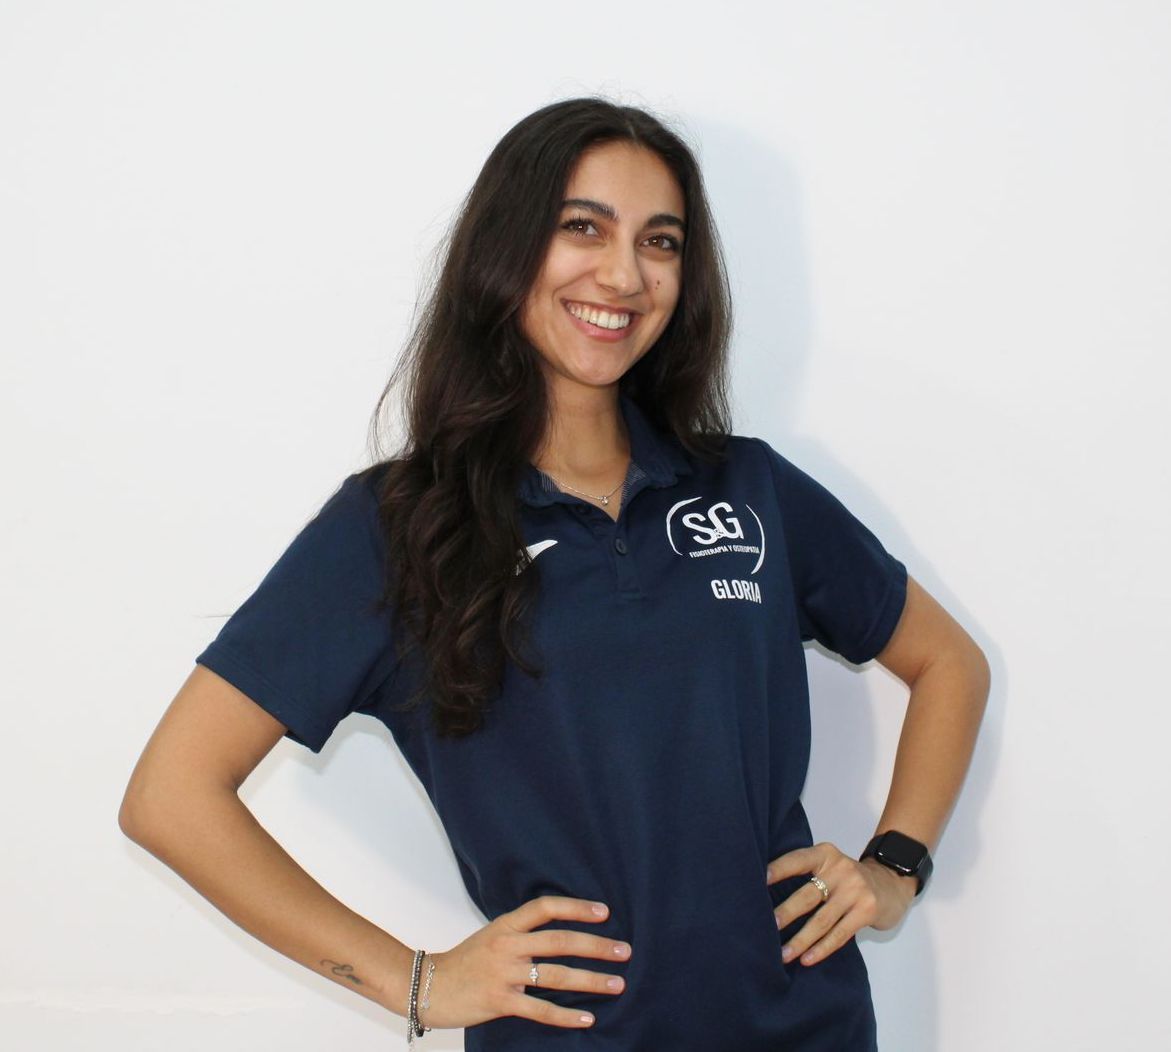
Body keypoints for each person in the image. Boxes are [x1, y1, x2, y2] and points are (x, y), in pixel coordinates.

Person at [119, 97, 990, 1051]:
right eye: (583, 227)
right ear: (508, 246)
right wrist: (417, 982)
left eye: (660, 241)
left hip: (809, 1026)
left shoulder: (748, 489)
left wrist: (893, 866)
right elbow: (171, 795)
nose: (623, 274)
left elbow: (949, 662)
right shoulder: (399, 525)